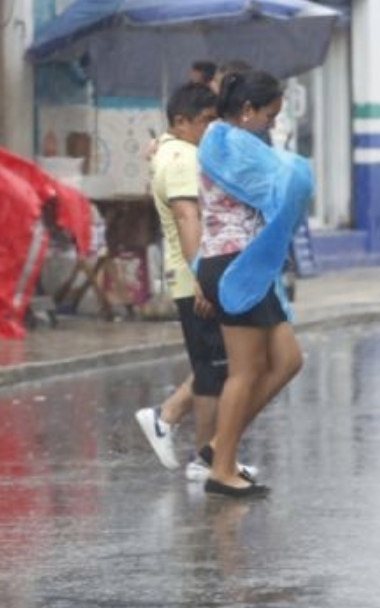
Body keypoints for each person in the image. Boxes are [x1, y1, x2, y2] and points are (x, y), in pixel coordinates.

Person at [194, 70, 313, 498]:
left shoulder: (227, 142)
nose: (273, 124)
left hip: (237, 263)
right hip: (236, 265)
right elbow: (290, 183)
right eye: (269, 115)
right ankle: (221, 469)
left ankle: (218, 447)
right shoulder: (230, 146)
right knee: (245, 373)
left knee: (288, 360)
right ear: (246, 110)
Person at [135, 82, 256, 483]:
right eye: (204, 121)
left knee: (219, 365)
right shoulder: (183, 158)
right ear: (180, 122)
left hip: (192, 275)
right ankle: (204, 456)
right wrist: (204, 277)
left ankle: (178, 429)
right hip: (195, 279)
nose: (210, 128)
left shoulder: (173, 151)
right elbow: (189, 218)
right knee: (214, 370)